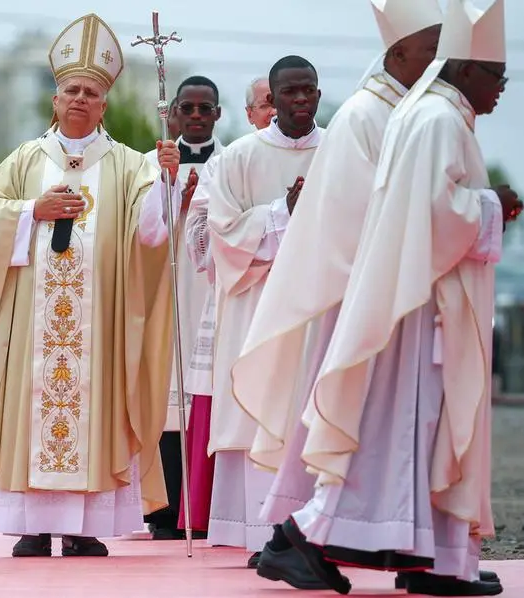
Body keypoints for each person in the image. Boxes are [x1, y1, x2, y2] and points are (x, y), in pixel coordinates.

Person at [282, 1, 516, 595]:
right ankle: (309, 540)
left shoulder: (433, 113)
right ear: (466, 70)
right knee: (402, 437)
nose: (501, 91)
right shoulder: (437, 119)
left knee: (411, 441)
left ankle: (435, 560)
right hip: (416, 312)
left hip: (415, 302)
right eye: (497, 76)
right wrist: (495, 206)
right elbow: (433, 215)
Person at [229, 0, 451, 589]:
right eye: (432, 49)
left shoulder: (403, 111)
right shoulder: (367, 117)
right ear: (398, 52)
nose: (440, 61)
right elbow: (359, 218)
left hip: (400, 300)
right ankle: (294, 540)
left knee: (398, 434)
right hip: (368, 303)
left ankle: (416, 555)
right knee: (358, 432)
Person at [0, 12, 181, 558]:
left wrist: (166, 181)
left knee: (95, 410)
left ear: (103, 105)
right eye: (71, 90)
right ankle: (34, 526)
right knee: (35, 410)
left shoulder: (131, 166)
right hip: (32, 324)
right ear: (55, 100)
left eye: (91, 92)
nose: (80, 99)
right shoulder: (25, 160)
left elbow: (153, 236)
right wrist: (30, 210)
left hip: (99, 327)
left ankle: (86, 526)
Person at [200, 55, 324, 580]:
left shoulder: (341, 150)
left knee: (311, 414)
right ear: (271, 98)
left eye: (308, 90)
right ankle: (262, 535)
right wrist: (281, 214)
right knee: (260, 411)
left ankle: (315, 536)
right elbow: (218, 238)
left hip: (319, 306)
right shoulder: (239, 157)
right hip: (256, 305)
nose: (300, 100)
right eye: (288, 92)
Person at [143, 75, 223, 541]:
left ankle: (209, 505)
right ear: (172, 112)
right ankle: (163, 508)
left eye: (204, 108)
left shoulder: (233, 162)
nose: (195, 116)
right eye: (187, 108)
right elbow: (143, 230)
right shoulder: (149, 165)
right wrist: (168, 187)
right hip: (164, 291)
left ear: (217, 114)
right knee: (167, 396)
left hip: (213, 293)